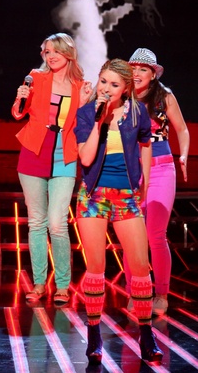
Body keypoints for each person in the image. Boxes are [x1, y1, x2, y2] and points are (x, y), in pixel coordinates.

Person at [74, 58, 163, 364]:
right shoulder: (87, 112)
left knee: (140, 267)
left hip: (126, 194)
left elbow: (145, 145)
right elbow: (86, 159)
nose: (107, 88)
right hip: (93, 195)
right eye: (103, 82)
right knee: (96, 268)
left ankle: (147, 334)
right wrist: (99, 121)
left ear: (125, 88)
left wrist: (144, 182)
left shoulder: (138, 112)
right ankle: (94, 334)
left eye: (114, 85)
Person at [11, 33, 93, 304]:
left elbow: (82, 126)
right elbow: (18, 113)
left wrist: (84, 105)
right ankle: (38, 284)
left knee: (57, 223)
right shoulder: (36, 77)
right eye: (47, 52)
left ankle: (62, 284)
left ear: (68, 53)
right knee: (37, 222)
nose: (51, 56)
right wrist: (21, 98)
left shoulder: (81, 86)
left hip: (64, 156)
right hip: (33, 152)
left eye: (56, 51)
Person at [124, 48, 190, 316]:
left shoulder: (164, 96)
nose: (137, 73)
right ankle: (135, 291)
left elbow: (182, 129)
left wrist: (183, 155)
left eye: (143, 69)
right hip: (131, 171)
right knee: (132, 236)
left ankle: (161, 294)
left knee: (155, 235)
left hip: (161, 169)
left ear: (153, 74)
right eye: (133, 69)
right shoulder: (122, 96)